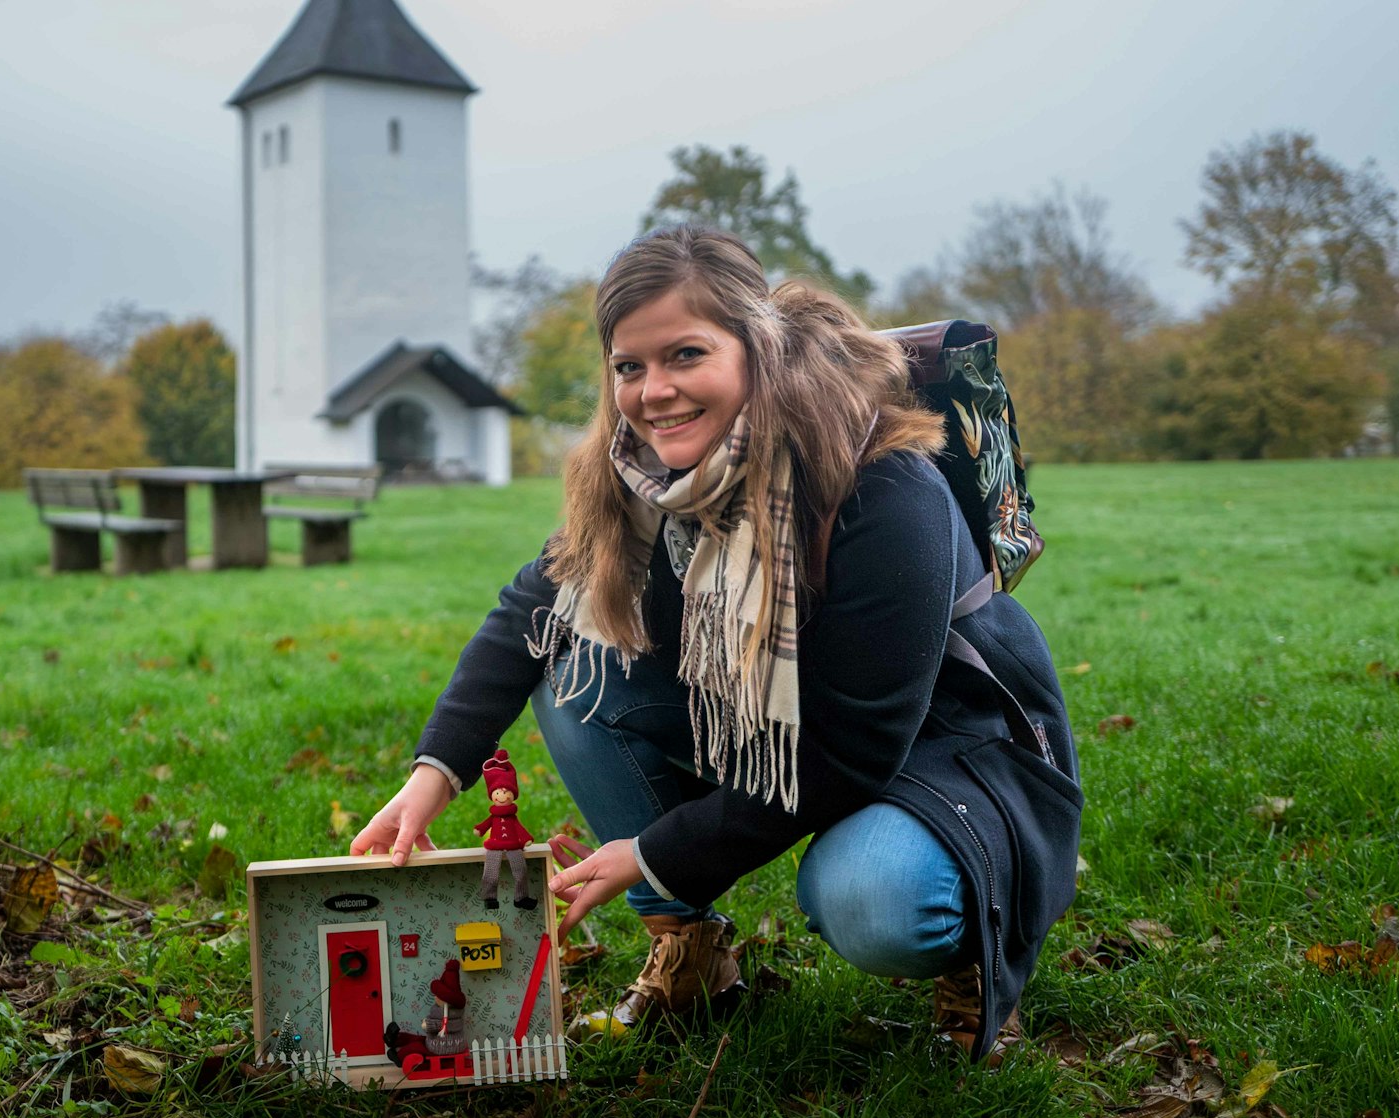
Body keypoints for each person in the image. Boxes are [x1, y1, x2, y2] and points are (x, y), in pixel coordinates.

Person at [349, 226, 1080, 1062]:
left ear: (757, 347)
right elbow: (529, 609)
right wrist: (431, 775)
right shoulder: (639, 475)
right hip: (784, 727)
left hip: (945, 744)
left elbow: (857, 747)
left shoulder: (880, 479)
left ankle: (973, 957)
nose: (655, 391)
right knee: (572, 660)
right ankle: (690, 951)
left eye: (686, 355)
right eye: (630, 366)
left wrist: (658, 852)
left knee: (871, 898)